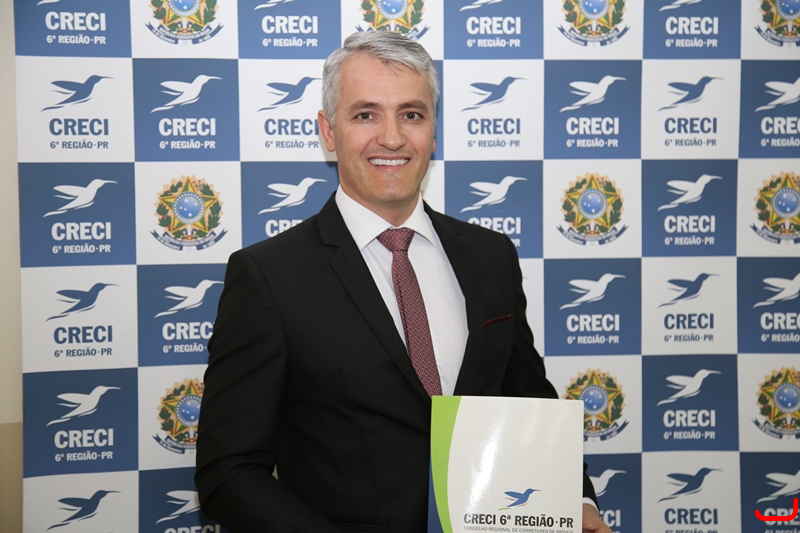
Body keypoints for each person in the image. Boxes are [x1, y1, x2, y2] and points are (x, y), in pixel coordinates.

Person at [195, 31, 611, 533]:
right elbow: (228, 473)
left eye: (411, 114)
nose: (391, 138)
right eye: (365, 115)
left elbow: (528, 405)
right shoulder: (268, 276)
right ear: (329, 131)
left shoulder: (490, 256)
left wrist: (576, 501)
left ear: (433, 130)